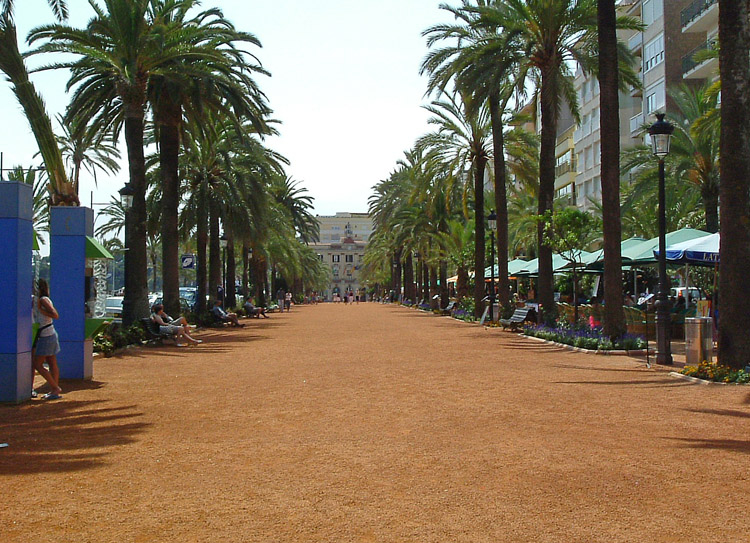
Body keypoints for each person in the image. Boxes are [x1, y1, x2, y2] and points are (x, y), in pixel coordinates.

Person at [32, 279, 63, 400]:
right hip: (50, 334)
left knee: (37, 364)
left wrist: (41, 310)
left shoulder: (42, 300)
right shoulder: (43, 299)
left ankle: (55, 387)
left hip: (46, 335)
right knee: (52, 362)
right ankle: (54, 390)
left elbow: (55, 314)